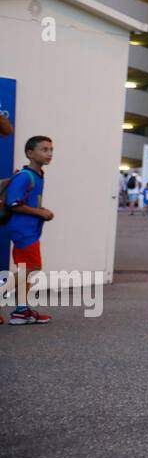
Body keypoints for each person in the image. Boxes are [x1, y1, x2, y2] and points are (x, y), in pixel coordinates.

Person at [2, 135, 54, 325]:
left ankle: (21, 312)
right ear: (30, 154)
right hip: (23, 231)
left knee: (25, 269)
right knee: (33, 268)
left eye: (50, 150)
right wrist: (40, 213)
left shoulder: (37, 175)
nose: (49, 154)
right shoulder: (25, 176)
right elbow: (13, 203)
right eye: (44, 149)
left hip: (28, 230)